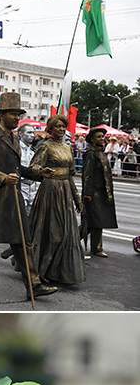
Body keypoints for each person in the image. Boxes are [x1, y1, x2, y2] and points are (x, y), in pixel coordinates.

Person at [0, 92, 58, 299]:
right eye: (14, 114)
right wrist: (3, 178)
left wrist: (38, 172)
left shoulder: (14, 138)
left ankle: (34, 284)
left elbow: (18, 168)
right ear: (2, 115)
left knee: (22, 239)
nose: (17, 118)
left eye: (18, 114)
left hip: (12, 197)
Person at [28, 113, 86, 286]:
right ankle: (39, 271)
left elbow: (70, 176)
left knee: (66, 235)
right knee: (53, 234)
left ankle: (55, 271)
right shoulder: (45, 146)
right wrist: (41, 169)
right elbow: (33, 167)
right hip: (50, 192)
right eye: (58, 126)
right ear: (50, 129)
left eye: (63, 126)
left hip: (65, 193)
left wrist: (77, 199)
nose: (61, 129)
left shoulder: (68, 148)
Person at [82, 127, 118, 257]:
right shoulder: (91, 154)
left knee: (98, 222)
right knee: (92, 222)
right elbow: (87, 175)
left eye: (102, 137)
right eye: (98, 137)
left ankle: (96, 247)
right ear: (91, 139)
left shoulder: (101, 153)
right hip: (93, 194)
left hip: (102, 193)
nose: (102, 139)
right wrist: (87, 193)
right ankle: (72, 242)